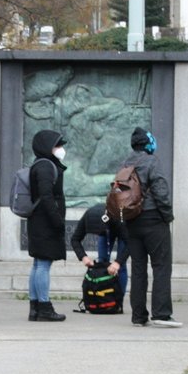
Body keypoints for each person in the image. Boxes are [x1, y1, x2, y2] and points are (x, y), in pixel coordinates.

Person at [124, 126, 182, 327]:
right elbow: (161, 192)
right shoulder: (152, 162)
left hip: (131, 221)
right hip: (153, 220)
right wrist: (167, 216)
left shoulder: (125, 164)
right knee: (161, 267)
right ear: (149, 143)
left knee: (138, 269)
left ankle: (138, 316)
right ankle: (161, 313)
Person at [27, 129, 69, 321]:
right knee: (43, 264)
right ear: (47, 147)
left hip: (39, 221)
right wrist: (57, 220)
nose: (60, 149)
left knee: (38, 264)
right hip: (45, 223)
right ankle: (43, 306)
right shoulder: (44, 166)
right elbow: (46, 196)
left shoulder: (41, 164)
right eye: (57, 145)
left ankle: (35, 307)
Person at [71, 202, 129, 301]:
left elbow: (130, 244)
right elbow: (75, 239)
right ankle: (102, 297)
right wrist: (83, 257)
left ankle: (119, 300)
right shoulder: (87, 217)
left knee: (121, 267)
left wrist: (117, 262)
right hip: (105, 228)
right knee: (102, 262)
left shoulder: (118, 219)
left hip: (121, 226)